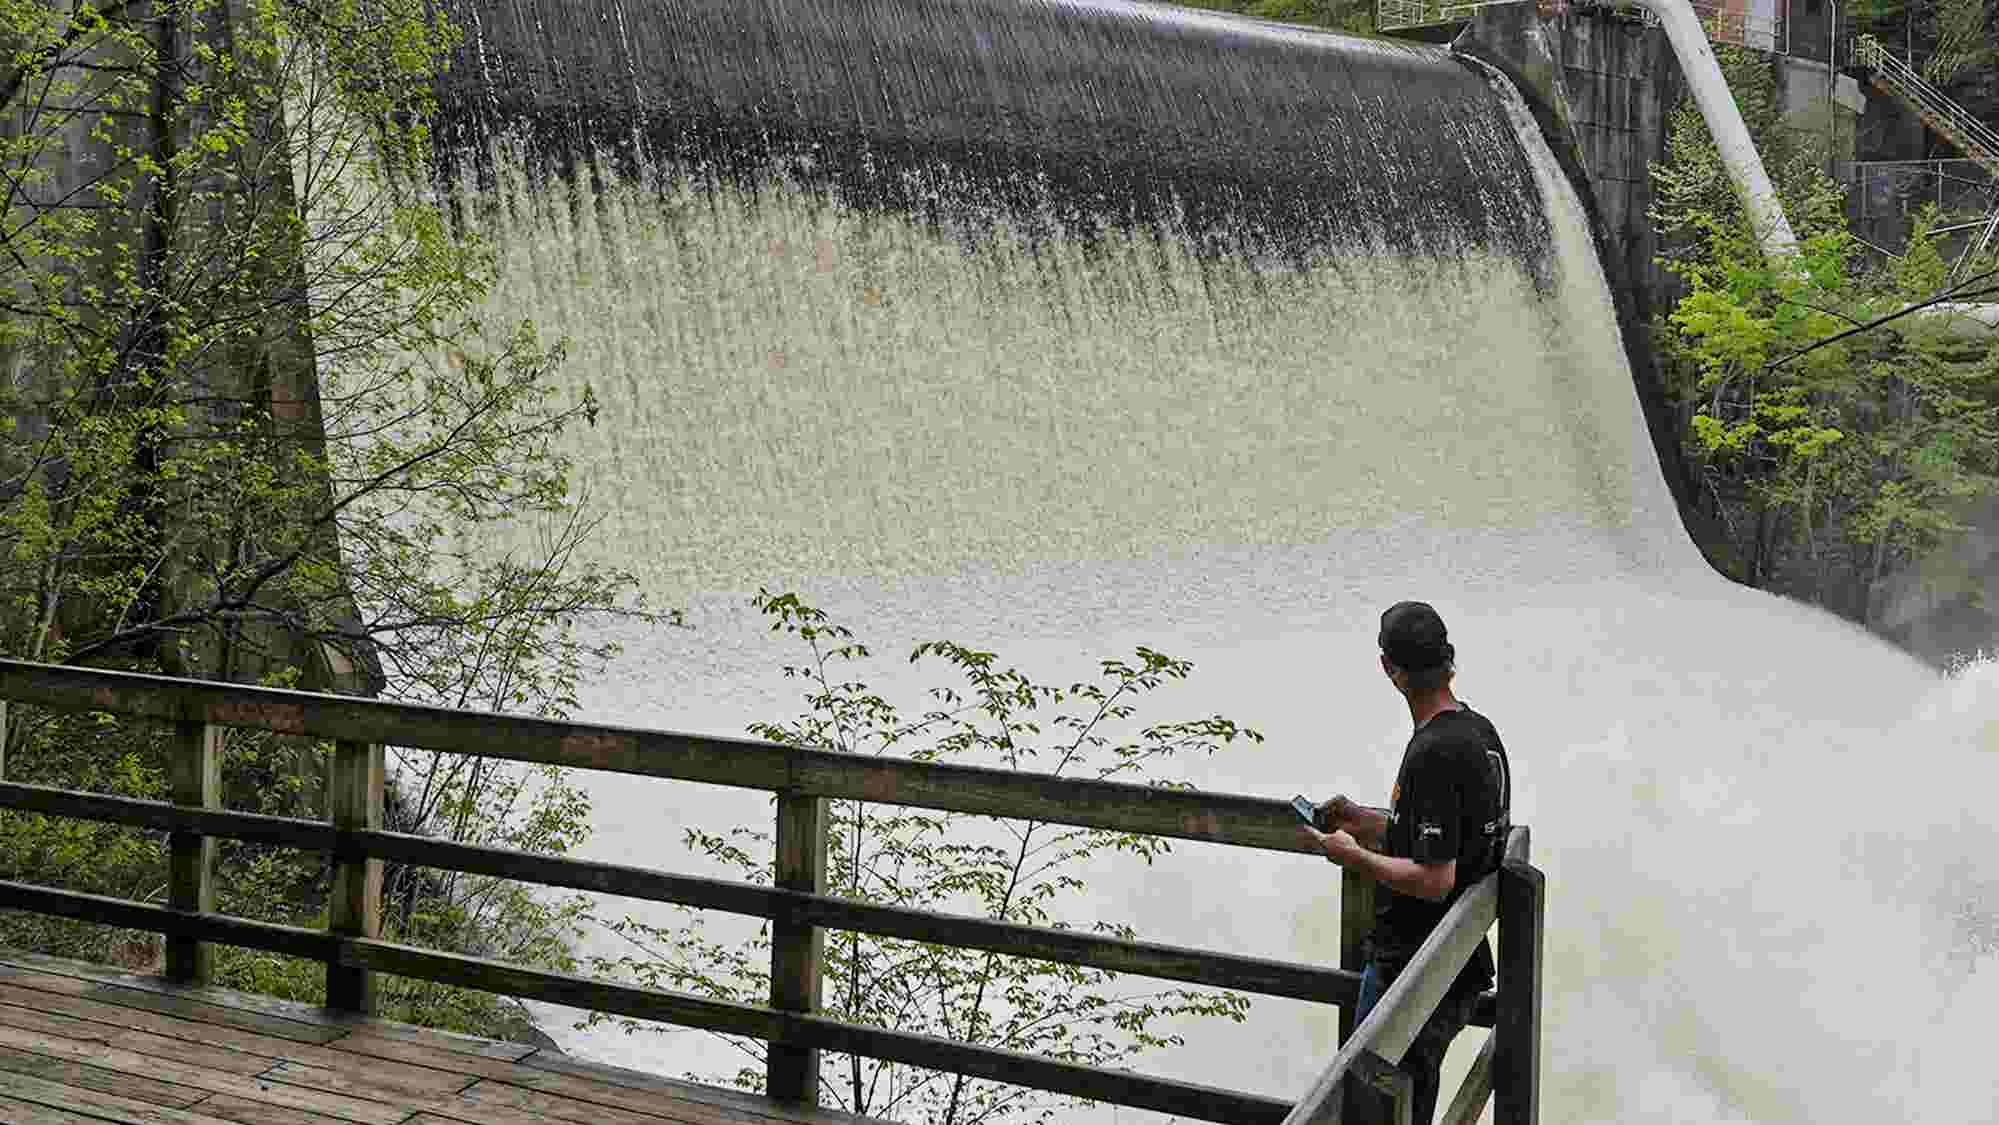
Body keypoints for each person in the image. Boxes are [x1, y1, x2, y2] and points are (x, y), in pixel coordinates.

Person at [1299, 601, 1512, 1125]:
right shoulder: (1479, 732)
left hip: (1414, 967)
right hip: (1454, 960)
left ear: (1388, 669)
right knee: (1412, 1100)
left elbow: (1435, 878)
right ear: (1447, 659)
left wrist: (1353, 855)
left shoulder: (1433, 752)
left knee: (1368, 1104)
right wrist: (1364, 819)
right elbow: (1448, 838)